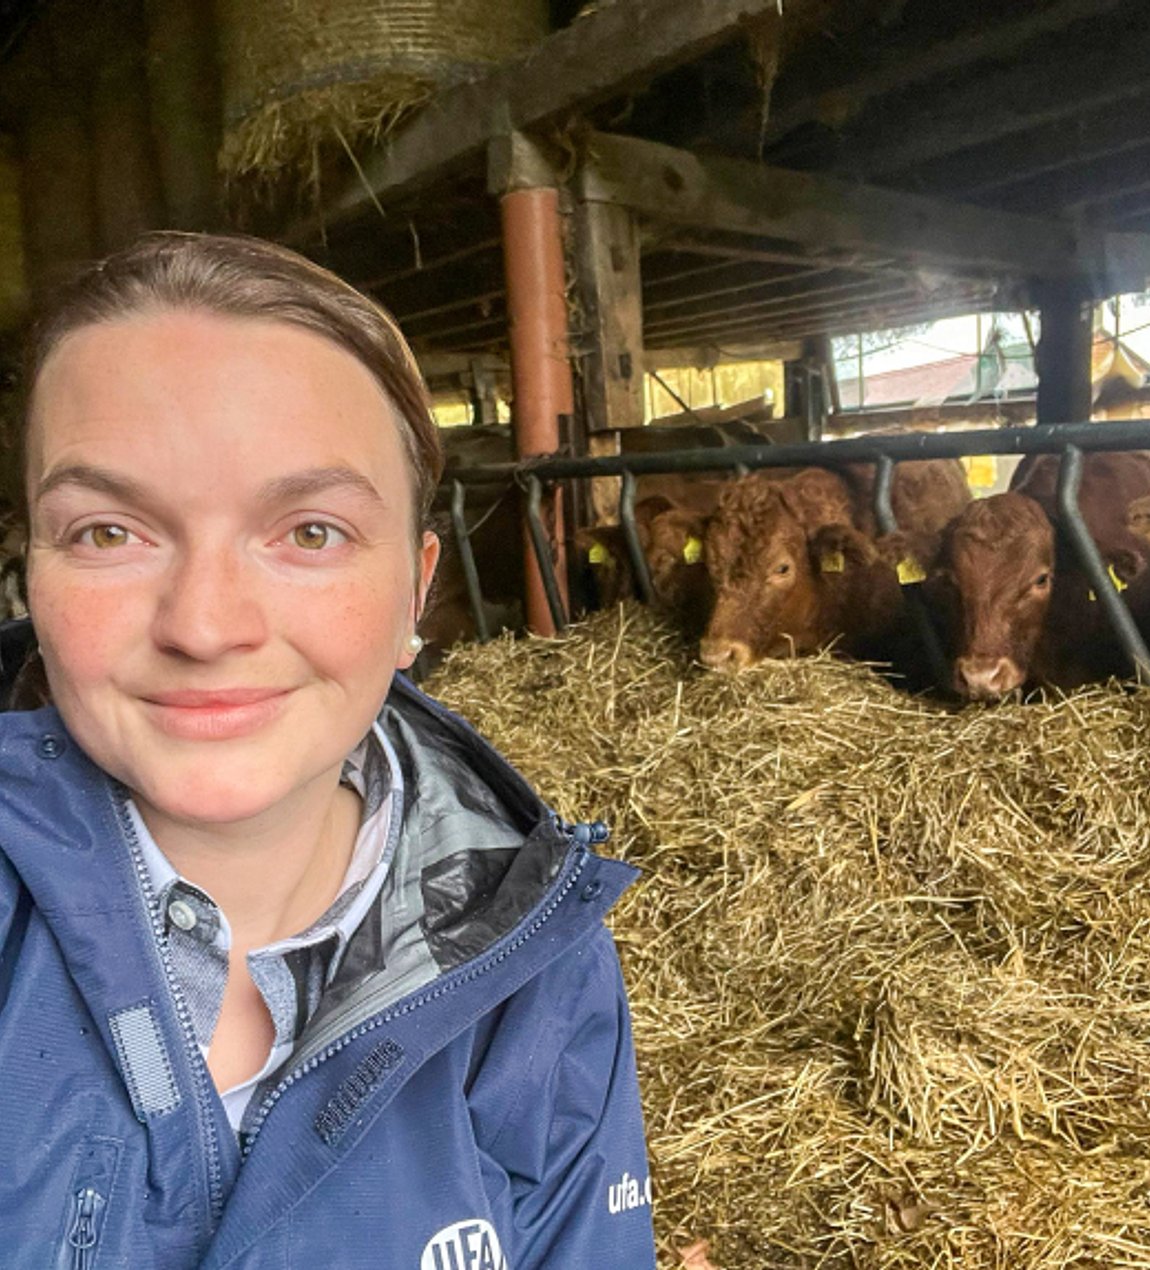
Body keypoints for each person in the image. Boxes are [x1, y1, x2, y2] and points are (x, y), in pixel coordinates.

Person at [0, 232, 656, 1268]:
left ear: (414, 591)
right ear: (30, 579)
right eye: (108, 532)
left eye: (310, 531)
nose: (205, 625)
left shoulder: (542, 962)